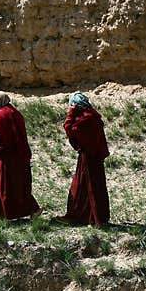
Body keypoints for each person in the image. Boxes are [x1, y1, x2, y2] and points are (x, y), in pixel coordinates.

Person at [55, 92, 110, 227]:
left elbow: (70, 129)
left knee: (83, 186)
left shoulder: (86, 119)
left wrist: (70, 114)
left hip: (89, 157)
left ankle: (85, 217)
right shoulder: (92, 116)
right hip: (94, 156)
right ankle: (96, 217)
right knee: (93, 186)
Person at [0, 91, 42, 220]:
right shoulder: (15, 112)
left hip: (6, 156)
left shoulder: (0, 116)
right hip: (20, 155)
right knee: (19, 185)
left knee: (6, 186)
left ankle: (3, 214)